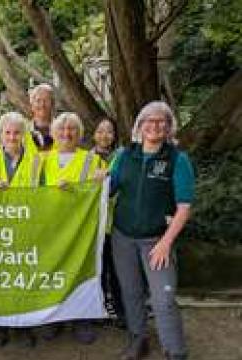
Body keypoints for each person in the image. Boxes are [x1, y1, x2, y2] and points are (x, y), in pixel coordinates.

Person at [110, 101, 194, 360]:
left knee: (164, 298)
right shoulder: (124, 155)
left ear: (169, 127)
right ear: (139, 125)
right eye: (149, 120)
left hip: (157, 240)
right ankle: (139, 339)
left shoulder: (177, 159)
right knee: (131, 292)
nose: (154, 126)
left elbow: (184, 207)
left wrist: (166, 242)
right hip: (122, 237)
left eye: (161, 122)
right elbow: (106, 188)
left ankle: (175, 351)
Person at [0, 112, 43, 347]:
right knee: (0, 281)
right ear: (1, 136)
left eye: (17, 132)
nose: (12, 136)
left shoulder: (37, 162)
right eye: (8, 132)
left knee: (23, 280)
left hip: (27, 229)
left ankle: (23, 326)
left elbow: (46, 194)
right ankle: (0, 326)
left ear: (24, 135)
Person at [41, 112, 106, 344]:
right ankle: (54, 318)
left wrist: (101, 179)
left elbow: (102, 192)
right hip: (49, 227)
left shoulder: (92, 160)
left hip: (80, 228)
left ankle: (81, 319)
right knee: (53, 272)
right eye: (61, 129)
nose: (66, 134)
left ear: (79, 134)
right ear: (53, 133)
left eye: (72, 130)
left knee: (79, 272)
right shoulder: (42, 159)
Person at [91, 117, 126, 327]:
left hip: (118, 223)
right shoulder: (86, 158)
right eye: (100, 131)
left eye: (109, 131)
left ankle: (121, 311)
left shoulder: (122, 157)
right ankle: (99, 309)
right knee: (98, 269)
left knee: (118, 270)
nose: (105, 136)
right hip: (95, 224)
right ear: (94, 134)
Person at [26, 83, 55, 152]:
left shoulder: (64, 130)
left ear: (53, 104)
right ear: (32, 105)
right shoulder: (23, 132)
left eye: (46, 100)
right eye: (38, 101)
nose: (42, 104)